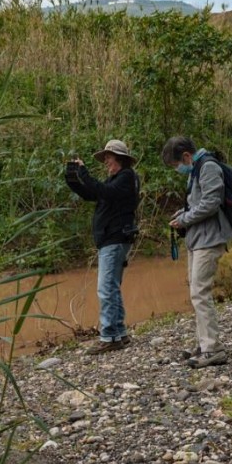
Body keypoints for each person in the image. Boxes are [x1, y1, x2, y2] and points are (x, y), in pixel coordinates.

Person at [161, 136, 232, 368]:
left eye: (176, 166)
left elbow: (211, 202)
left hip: (209, 239)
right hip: (197, 239)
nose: (178, 170)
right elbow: (197, 203)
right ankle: (203, 344)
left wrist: (184, 219)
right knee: (196, 292)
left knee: (200, 293)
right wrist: (181, 214)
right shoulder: (196, 170)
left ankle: (213, 348)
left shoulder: (208, 167)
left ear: (186, 156)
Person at [65, 139, 140, 355]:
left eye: (108, 157)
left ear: (120, 158)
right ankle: (119, 333)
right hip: (112, 239)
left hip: (115, 239)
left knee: (105, 288)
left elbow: (102, 191)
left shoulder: (126, 177)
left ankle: (109, 336)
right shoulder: (116, 181)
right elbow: (91, 193)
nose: (105, 161)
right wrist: (73, 179)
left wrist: (84, 171)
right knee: (111, 287)